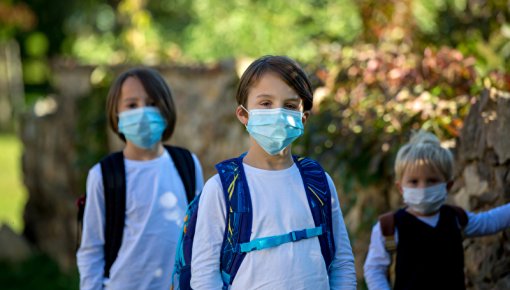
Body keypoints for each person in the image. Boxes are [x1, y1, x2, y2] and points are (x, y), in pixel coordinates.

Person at [189, 55, 357, 289]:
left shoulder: (318, 183)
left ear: (303, 118)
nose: (278, 113)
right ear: (243, 114)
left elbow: (341, 264)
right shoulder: (221, 189)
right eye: (266, 103)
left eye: (290, 106)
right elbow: (204, 278)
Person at [77, 67, 204, 290]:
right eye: (132, 105)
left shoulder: (187, 164)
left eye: (152, 103)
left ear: (166, 110)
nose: (143, 112)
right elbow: (91, 250)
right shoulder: (104, 175)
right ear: (117, 115)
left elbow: (201, 234)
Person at [363, 130, 510, 290]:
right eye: (414, 181)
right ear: (400, 187)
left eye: (432, 180)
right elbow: (374, 269)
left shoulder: (455, 219)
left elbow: (489, 222)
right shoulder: (390, 227)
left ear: (448, 185)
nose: (423, 188)